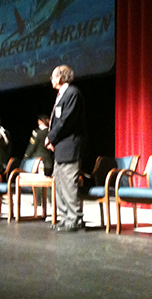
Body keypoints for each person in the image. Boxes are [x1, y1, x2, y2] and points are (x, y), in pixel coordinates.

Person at [45, 65, 86, 232]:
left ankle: (75, 219)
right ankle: (65, 217)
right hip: (61, 147)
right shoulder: (62, 95)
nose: (51, 80)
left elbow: (65, 121)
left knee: (69, 184)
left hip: (70, 145)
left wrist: (50, 137)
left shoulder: (72, 93)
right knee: (59, 184)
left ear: (60, 78)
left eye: (53, 76)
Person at [24, 114, 53, 206]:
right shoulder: (51, 132)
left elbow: (32, 147)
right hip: (48, 161)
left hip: (38, 162)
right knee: (48, 181)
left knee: (37, 182)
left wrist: (26, 157)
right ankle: (52, 200)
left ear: (40, 121)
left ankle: (38, 201)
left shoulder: (37, 132)